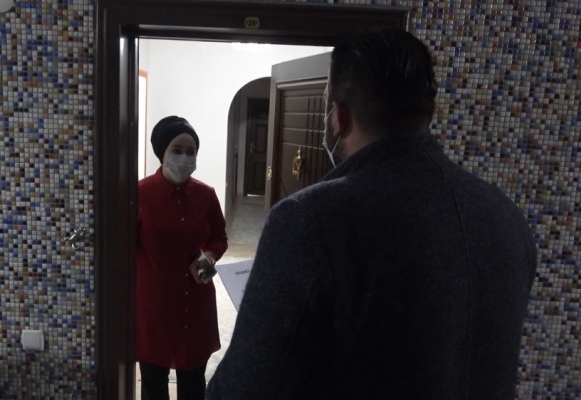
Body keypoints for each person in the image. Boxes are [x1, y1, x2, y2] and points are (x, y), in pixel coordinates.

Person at [206, 29, 536, 400]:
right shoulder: (506, 218)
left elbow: (243, 390)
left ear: (339, 116)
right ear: (430, 112)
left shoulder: (309, 220)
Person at [136, 116, 228, 400]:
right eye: (177, 150)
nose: (185, 157)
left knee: (193, 382)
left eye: (191, 151)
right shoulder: (139, 194)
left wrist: (209, 256)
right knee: (153, 382)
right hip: (154, 304)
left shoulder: (206, 195)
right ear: (162, 152)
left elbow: (220, 237)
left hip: (195, 301)